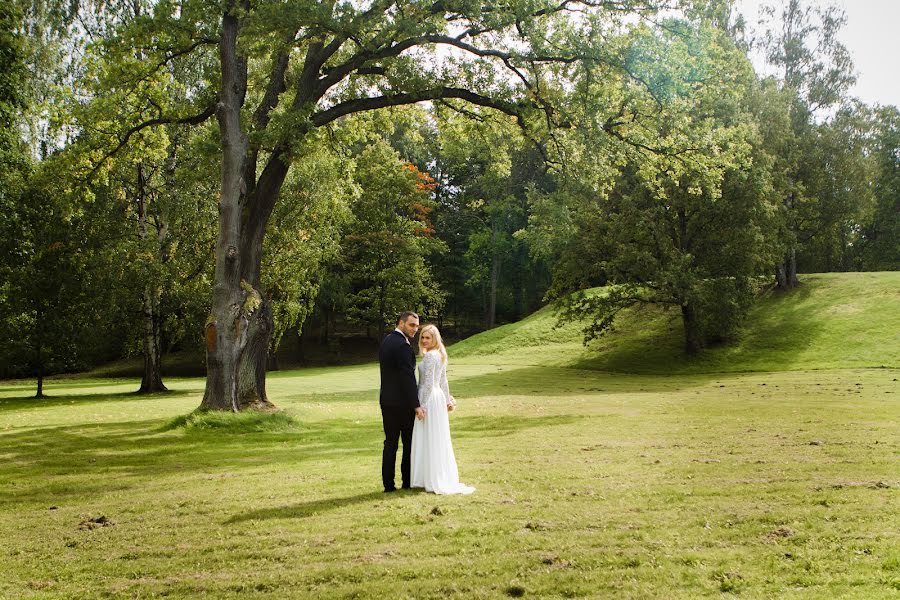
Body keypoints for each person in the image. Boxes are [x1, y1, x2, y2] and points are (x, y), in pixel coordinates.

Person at [411, 324, 475, 495]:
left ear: (435, 339)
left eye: (428, 338)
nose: (424, 340)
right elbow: (443, 382)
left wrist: (421, 406)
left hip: (430, 399)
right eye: (422, 337)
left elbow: (429, 384)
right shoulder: (440, 355)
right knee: (437, 437)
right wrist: (447, 400)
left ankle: (430, 478)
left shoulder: (431, 357)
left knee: (430, 436)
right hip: (438, 398)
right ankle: (433, 475)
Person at [378, 311, 425, 492]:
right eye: (412, 325)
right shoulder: (403, 346)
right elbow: (407, 378)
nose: (415, 329)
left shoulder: (386, 341)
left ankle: (388, 485)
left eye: (417, 326)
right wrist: (416, 404)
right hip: (403, 404)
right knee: (408, 443)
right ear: (401, 323)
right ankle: (407, 482)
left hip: (386, 401)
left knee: (390, 443)